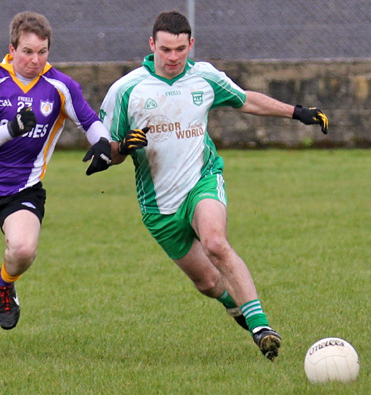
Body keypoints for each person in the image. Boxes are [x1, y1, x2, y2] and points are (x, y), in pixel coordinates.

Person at [100, 10, 328, 362]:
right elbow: (106, 154)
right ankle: (235, 307)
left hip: (202, 181)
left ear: (190, 44)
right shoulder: (125, 90)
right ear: (151, 45)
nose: (173, 57)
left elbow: (246, 99)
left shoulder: (204, 77)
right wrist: (123, 148)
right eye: (165, 50)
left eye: (180, 49)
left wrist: (297, 112)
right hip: (159, 207)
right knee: (207, 283)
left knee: (215, 243)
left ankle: (262, 328)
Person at [0, 11, 112, 360]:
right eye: (27, 51)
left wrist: (101, 143)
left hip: (23, 189)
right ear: (12, 49)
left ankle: (5, 284)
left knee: (22, 249)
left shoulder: (60, 86)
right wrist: (10, 129)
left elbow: (90, 120)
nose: (35, 60)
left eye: (42, 52)